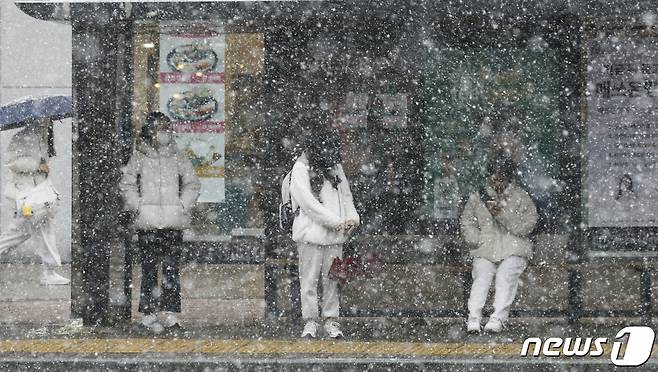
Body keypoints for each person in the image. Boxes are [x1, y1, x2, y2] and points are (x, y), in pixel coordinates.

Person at [120, 112, 200, 334]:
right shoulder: (139, 156)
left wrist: (182, 206)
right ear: (149, 131)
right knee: (148, 269)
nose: (163, 132)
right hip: (148, 222)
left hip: (173, 222)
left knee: (171, 269)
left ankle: (169, 313)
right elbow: (127, 184)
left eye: (166, 127)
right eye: (159, 128)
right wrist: (138, 207)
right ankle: (149, 313)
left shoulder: (178, 156)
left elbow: (192, 184)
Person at [289, 127, 360, 339]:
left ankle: (331, 320)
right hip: (311, 235)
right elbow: (308, 204)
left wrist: (352, 217)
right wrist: (336, 221)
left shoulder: (335, 167)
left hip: (335, 236)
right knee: (309, 281)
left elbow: (346, 195)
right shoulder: (300, 169)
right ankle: (310, 321)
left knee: (333, 280)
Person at [460, 160, 538, 333]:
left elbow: (528, 225)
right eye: (494, 177)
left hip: (514, 249)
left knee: (506, 276)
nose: (497, 182)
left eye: (501, 177)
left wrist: (502, 216)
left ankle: (498, 319)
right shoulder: (477, 198)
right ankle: (473, 318)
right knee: (482, 277)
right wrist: (477, 240)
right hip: (485, 249)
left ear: (509, 179)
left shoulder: (521, 197)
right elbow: (467, 223)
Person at [0, 120, 69, 285]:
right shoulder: (23, 136)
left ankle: (49, 271)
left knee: (34, 232)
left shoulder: (42, 135)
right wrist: (38, 166)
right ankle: (48, 272)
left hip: (37, 195)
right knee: (20, 234)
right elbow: (11, 161)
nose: (51, 121)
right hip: (27, 195)